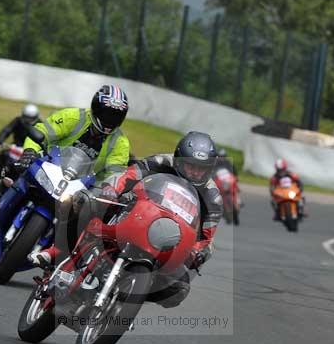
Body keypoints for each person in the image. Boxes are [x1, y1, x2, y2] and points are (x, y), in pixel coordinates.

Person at [30, 131, 223, 308]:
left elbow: (207, 236)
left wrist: (198, 252)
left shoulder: (212, 197)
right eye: (191, 166)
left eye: (201, 169)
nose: (195, 172)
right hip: (135, 212)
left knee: (179, 288)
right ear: (179, 159)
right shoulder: (162, 162)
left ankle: (127, 297)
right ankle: (57, 251)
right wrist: (112, 190)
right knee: (86, 202)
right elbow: (129, 174)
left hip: (169, 240)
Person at [0, 84, 131, 217]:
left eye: (116, 116)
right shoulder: (73, 117)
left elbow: (115, 174)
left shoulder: (120, 143)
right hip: (49, 165)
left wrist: (108, 189)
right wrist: (30, 151)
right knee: (17, 165)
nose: (110, 120)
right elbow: (42, 132)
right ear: (96, 109)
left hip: (81, 187)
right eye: (106, 114)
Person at [0, 103, 40, 189]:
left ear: (35, 117)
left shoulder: (40, 125)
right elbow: (7, 129)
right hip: (16, 148)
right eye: (26, 117)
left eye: (30, 118)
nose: (28, 120)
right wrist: (1, 138)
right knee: (4, 154)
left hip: (31, 151)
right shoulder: (18, 121)